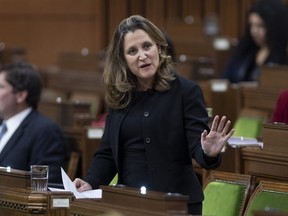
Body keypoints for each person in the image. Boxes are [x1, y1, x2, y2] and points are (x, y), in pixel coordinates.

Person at [73, 15, 234, 215]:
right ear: (123, 59)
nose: (142, 55)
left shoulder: (186, 92)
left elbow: (198, 148)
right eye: (132, 51)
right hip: (129, 203)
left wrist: (209, 152)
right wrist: (90, 183)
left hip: (177, 205)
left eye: (147, 46)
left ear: (159, 47)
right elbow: (107, 153)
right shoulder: (119, 97)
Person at [0, 62, 67, 184]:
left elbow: (46, 184)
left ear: (20, 95)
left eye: (1, 87)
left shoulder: (45, 131)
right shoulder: (2, 125)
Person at [222, 0, 288, 83]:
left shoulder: (284, 55)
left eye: (260, 26)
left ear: (274, 27)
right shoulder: (245, 50)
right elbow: (226, 78)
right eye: (251, 25)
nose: (254, 31)